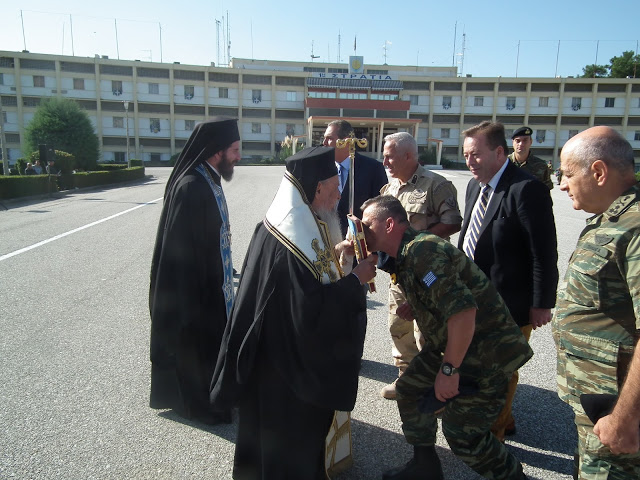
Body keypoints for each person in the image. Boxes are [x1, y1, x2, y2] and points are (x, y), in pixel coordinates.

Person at [210, 146, 377, 479]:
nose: (339, 192)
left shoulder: (298, 220)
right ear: (316, 188)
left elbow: (311, 279)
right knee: (287, 456)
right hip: (287, 377)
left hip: (276, 364)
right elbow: (308, 312)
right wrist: (355, 280)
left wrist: (339, 256)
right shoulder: (291, 239)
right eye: (334, 185)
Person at [360, 195, 532, 480]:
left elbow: (463, 312)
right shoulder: (406, 253)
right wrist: (417, 304)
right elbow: (439, 290)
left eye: (367, 224)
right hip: (456, 343)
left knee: (463, 434)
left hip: (487, 352)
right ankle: (425, 466)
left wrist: (449, 371)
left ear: (389, 224)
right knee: (410, 389)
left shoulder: (423, 251)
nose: (361, 229)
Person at [458, 121, 558, 441]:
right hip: (474, 297)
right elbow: (468, 237)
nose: (469, 162)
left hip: (509, 301)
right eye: (465, 155)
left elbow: (544, 252)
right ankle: (504, 417)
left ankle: (494, 435)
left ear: (499, 152)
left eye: (475, 154)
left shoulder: (527, 189)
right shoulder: (476, 185)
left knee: (499, 371)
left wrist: (542, 303)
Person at [553, 126, 640, 479]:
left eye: (568, 174)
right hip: (596, 400)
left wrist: (625, 418)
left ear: (599, 172)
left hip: (617, 411)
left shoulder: (634, 229)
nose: (562, 184)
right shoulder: (609, 222)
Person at [148, 117, 241, 424]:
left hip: (213, 286)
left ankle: (216, 394)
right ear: (217, 151)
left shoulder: (208, 178)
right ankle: (198, 403)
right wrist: (196, 301)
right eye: (235, 150)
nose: (238, 158)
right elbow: (179, 256)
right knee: (196, 349)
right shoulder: (191, 187)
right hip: (194, 294)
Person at [378, 132, 462, 400]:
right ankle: (407, 378)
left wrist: (417, 244)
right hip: (398, 274)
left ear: (408, 155)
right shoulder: (388, 190)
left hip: (427, 274)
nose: (385, 162)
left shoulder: (436, 185)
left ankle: (433, 388)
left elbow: (452, 222)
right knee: (398, 327)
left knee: (426, 332)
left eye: (389, 156)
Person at [322, 119, 388, 235]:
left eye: (329, 138)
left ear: (347, 140)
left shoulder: (373, 169)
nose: (324, 143)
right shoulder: (322, 169)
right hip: (329, 242)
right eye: (324, 138)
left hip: (361, 243)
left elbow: (382, 211)